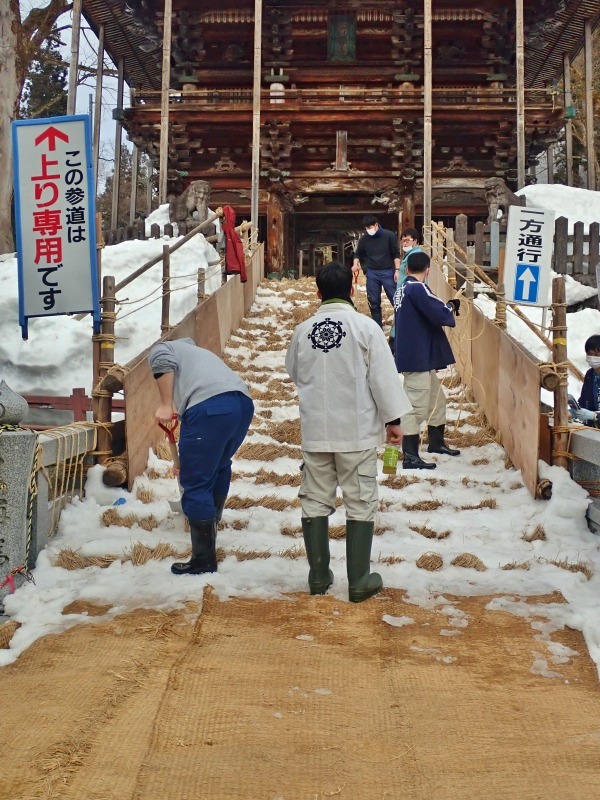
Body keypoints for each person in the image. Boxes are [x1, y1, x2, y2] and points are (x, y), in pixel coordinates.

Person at [285, 261, 412, 602]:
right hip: (356, 431)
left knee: (314, 498)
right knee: (360, 500)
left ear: (318, 294)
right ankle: (358, 580)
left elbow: (295, 373)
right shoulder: (365, 327)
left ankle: (318, 575)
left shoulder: (303, 331)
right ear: (352, 290)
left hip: (316, 430)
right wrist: (393, 421)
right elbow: (383, 378)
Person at [148, 337, 254, 575]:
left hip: (210, 409)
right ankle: (211, 525)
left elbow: (161, 360)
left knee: (195, 481)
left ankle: (203, 559)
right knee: (218, 466)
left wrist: (166, 404)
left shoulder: (164, 349)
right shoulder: (199, 354)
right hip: (242, 405)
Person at [393, 251, 461, 469]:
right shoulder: (416, 287)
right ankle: (409, 456)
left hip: (414, 354)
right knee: (416, 407)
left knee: (436, 400)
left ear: (406, 269)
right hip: (417, 356)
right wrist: (451, 307)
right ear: (428, 270)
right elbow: (438, 311)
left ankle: (436, 443)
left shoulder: (402, 288)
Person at [352, 214, 401, 329]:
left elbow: (396, 253)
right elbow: (358, 253)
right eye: (366, 228)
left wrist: (397, 270)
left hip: (388, 271)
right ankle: (377, 326)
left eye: (370, 227)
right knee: (373, 301)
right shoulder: (364, 239)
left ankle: (400, 324)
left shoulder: (389, 236)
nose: (369, 230)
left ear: (376, 225)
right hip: (372, 272)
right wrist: (355, 264)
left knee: (395, 299)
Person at [389, 228, 424, 354]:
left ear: (415, 241)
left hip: (408, 294)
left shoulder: (416, 256)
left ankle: (397, 351)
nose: (405, 243)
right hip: (404, 292)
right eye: (403, 241)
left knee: (402, 324)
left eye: (407, 240)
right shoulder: (410, 254)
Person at [573, 335, 600, 426]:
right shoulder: (590, 375)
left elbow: (591, 415)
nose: (593, 357)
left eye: (597, 354)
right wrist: (573, 412)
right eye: (590, 354)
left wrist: (594, 416)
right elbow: (584, 402)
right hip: (594, 430)